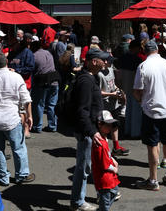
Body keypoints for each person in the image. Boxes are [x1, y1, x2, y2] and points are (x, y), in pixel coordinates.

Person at [0, 53, 35, 185]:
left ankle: (3, 177)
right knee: (18, 148)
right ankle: (22, 174)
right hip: (11, 119)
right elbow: (26, 100)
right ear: (7, 62)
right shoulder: (16, 77)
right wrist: (29, 116)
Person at [134, 38, 166, 191]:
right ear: (157, 50)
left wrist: (141, 101)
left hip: (151, 111)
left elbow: (137, 91)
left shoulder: (143, 66)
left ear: (145, 52)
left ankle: (153, 180)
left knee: (153, 145)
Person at [70, 49, 108, 211]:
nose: (106, 62)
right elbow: (82, 110)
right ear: (94, 62)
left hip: (94, 129)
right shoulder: (86, 80)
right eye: (103, 60)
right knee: (83, 167)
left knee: (97, 164)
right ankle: (77, 202)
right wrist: (92, 132)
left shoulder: (92, 77)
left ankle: (102, 193)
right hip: (88, 131)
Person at [92, 111, 123, 211]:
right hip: (104, 179)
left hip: (108, 178)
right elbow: (104, 164)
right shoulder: (100, 144)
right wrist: (114, 169)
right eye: (107, 124)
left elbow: (106, 155)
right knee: (106, 201)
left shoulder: (104, 138)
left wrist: (113, 159)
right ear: (100, 124)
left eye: (111, 125)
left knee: (114, 192)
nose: (110, 127)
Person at [31, 40, 59, 133]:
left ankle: (37, 126)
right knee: (51, 105)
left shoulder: (34, 55)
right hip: (54, 80)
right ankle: (52, 126)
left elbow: (32, 69)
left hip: (42, 82)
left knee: (39, 104)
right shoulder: (48, 53)